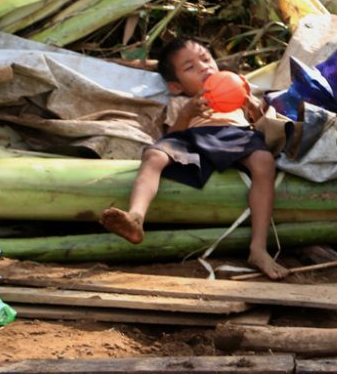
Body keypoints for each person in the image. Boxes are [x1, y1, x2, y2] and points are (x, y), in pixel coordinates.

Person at [100, 38, 289, 280]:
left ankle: (258, 249)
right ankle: (136, 216)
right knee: (154, 155)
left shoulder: (237, 93)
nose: (203, 67)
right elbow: (173, 137)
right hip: (193, 138)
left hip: (236, 136)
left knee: (263, 161)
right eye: (190, 67)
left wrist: (251, 105)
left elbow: (263, 127)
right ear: (176, 87)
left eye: (206, 59)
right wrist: (189, 111)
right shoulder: (180, 102)